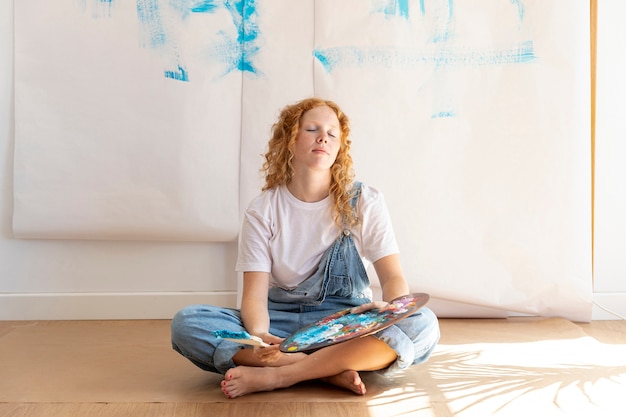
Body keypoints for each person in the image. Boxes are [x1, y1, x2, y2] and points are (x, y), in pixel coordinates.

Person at [171, 97, 440, 399]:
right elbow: (255, 294)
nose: (323, 137)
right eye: (312, 129)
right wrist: (260, 336)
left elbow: (392, 277)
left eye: (332, 133)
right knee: (188, 323)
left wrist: (392, 311)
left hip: (345, 324)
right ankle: (327, 370)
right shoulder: (264, 209)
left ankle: (284, 375)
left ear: (339, 148)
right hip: (281, 324)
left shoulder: (365, 200)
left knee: (422, 324)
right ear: (290, 140)